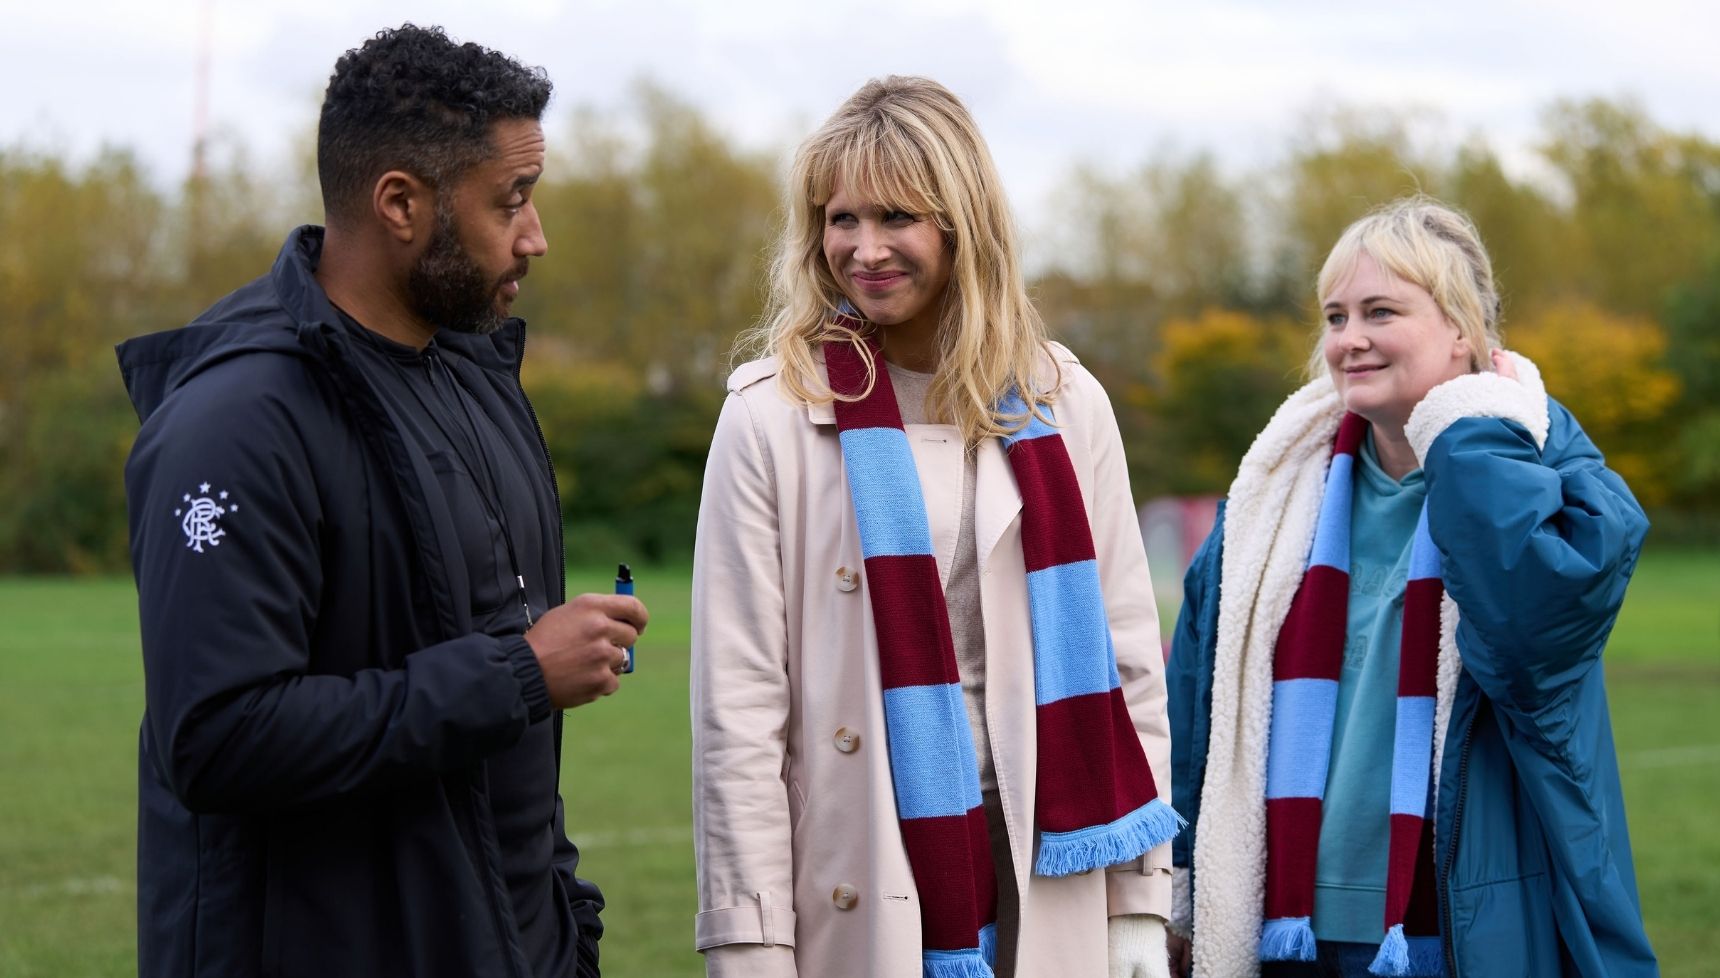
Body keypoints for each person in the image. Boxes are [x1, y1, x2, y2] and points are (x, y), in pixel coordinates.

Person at [117, 25, 647, 978]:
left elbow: (506, 753)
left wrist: (565, 928)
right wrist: (519, 673)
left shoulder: (475, 373)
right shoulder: (235, 419)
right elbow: (219, 739)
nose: (537, 235)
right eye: (511, 201)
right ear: (400, 202)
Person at [690, 76, 1181, 978]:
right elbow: (739, 714)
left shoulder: (1064, 403)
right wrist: (749, 940)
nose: (864, 250)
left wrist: (1140, 900)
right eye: (841, 220)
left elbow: (1126, 660)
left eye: (897, 219)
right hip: (860, 853)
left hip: (1050, 850)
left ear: (962, 225)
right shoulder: (768, 416)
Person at [1166, 197, 1658, 978]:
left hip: (1460, 926)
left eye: (1381, 311)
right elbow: (1191, 709)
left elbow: (1528, 634)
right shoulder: (1270, 501)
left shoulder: (1548, 477)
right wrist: (1178, 884)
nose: (1349, 339)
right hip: (1284, 929)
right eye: (1335, 316)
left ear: (1462, 329)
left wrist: (1467, 429)